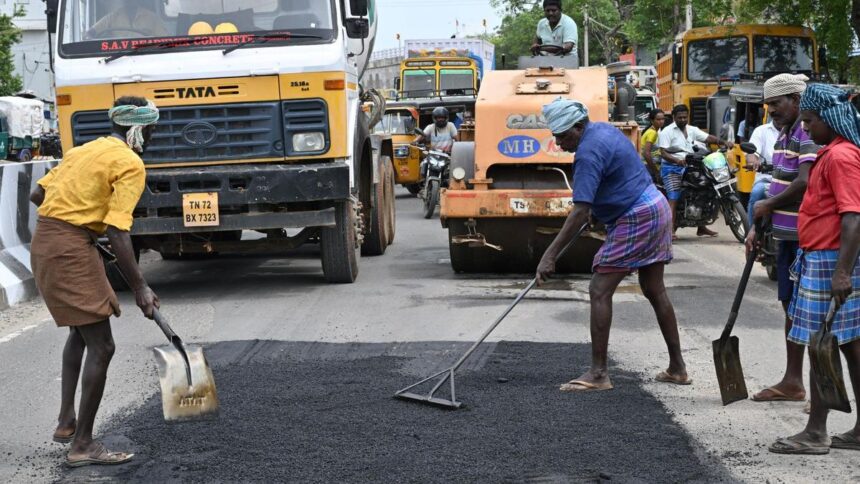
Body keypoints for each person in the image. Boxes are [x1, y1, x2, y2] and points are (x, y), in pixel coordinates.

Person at [29, 96, 160, 467]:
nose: (152, 136)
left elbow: (38, 194)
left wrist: (82, 227)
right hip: (69, 248)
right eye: (152, 129)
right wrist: (140, 287)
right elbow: (118, 230)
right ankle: (83, 445)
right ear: (139, 130)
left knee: (80, 331)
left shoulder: (84, 150)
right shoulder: (129, 162)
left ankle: (66, 422)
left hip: (46, 241)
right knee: (102, 346)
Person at [536, 98, 689, 392]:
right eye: (555, 136)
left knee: (599, 289)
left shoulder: (587, 153)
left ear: (578, 127)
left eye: (563, 136)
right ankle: (677, 368)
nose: (559, 143)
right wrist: (600, 210)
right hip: (656, 206)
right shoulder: (604, 130)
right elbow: (618, 176)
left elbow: (579, 210)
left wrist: (549, 255)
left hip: (637, 215)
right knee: (654, 288)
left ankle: (598, 374)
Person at [768, 83, 860, 455]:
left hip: (830, 260)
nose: (804, 128)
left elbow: (853, 216)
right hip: (826, 257)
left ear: (829, 118)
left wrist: (842, 272)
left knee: (821, 346)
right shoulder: (833, 152)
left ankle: (816, 432)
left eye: (809, 120)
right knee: (849, 345)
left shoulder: (841, 157)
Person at [747, 74, 819, 403]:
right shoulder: (782, 134)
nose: (772, 110)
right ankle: (793, 381)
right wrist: (757, 226)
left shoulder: (807, 131)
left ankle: (820, 392)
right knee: (790, 307)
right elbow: (778, 181)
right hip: (786, 236)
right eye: (768, 105)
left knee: (808, 312)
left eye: (776, 103)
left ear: (795, 100)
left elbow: (805, 181)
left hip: (807, 236)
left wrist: (768, 204)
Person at [658, 104, 734, 239]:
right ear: (674, 117)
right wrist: (677, 160)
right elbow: (663, 153)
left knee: (704, 189)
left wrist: (723, 142)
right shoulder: (666, 132)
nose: (682, 119)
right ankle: (670, 231)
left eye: (685, 117)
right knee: (674, 197)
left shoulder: (692, 129)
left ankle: (701, 227)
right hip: (672, 168)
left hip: (690, 165)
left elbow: (707, 138)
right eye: (680, 117)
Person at [744, 120, 781, 224]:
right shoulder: (761, 131)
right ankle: (752, 229)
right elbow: (751, 154)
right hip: (767, 179)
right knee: (757, 192)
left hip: (791, 180)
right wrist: (753, 162)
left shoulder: (799, 131)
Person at [86, 0, 169, 39]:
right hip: (117, 57)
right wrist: (89, 38)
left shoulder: (152, 17)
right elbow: (90, 33)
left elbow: (164, 39)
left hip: (146, 55)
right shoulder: (113, 16)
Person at [641, 108, 665, 182]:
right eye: (658, 119)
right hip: (649, 167)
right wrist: (656, 172)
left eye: (663, 119)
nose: (661, 121)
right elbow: (646, 153)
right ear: (652, 121)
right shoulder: (652, 133)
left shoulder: (652, 131)